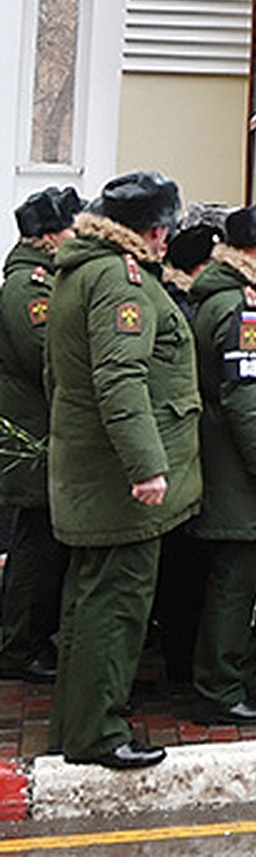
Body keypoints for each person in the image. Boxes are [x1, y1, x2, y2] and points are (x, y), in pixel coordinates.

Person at [46, 171, 202, 769]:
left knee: (88, 604)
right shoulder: (121, 279)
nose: (167, 240)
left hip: (89, 470)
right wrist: (146, 466)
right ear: (153, 230)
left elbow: (59, 376)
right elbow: (120, 377)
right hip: (119, 483)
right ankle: (98, 733)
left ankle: (76, 724)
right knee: (116, 604)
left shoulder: (82, 270)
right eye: (166, 229)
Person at [188, 203, 256, 725]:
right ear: (240, 252)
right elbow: (243, 394)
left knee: (245, 576)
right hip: (240, 469)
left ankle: (240, 675)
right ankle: (220, 687)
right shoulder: (243, 309)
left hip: (234, 463)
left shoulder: (233, 299)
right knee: (236, 581)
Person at [0, 186, 81, 684]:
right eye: (71, 227)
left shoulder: (45, 279)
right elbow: (47, 357)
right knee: (36, 543)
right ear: (49, 236)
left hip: (42, 428)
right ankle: (18, 646)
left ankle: (27, 638)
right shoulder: (29, 288)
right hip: (32, 434)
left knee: (43, 540)